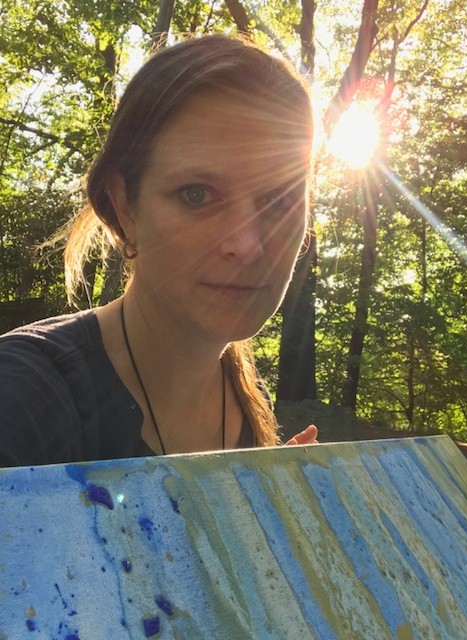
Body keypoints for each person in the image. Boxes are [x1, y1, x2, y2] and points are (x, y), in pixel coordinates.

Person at [0, 34, 318, 468]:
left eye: (279, 200)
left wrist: (265, 495)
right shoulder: (23, 400)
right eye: (196, 194)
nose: (246, 246)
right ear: (124, 207)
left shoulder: (243, 392)